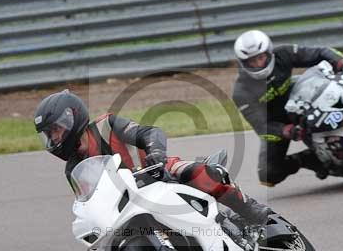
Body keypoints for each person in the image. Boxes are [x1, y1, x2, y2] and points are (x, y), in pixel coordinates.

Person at [34, 90, 273, 227]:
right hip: (129, 203)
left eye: (54, 130)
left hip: (158, 172)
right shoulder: (74, 169)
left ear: (71, 118)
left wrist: (155, 154)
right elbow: (89, 202)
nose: (53, 138)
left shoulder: (107, 125)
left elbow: (149, 133)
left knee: (194, 172)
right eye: (48, 135)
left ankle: (251, 210)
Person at [231, 29, 343, 186]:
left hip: (299, 99)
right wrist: (286, 131)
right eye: (252, 61)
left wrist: (342, 62)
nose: (258, 64)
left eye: (261, 57)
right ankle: (309, 159)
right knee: (269, 175)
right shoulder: (241, 91)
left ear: (269, 52)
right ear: (243, 63)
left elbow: (321, 52)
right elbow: (261, 127)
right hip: (276, 122)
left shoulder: (283, 53)